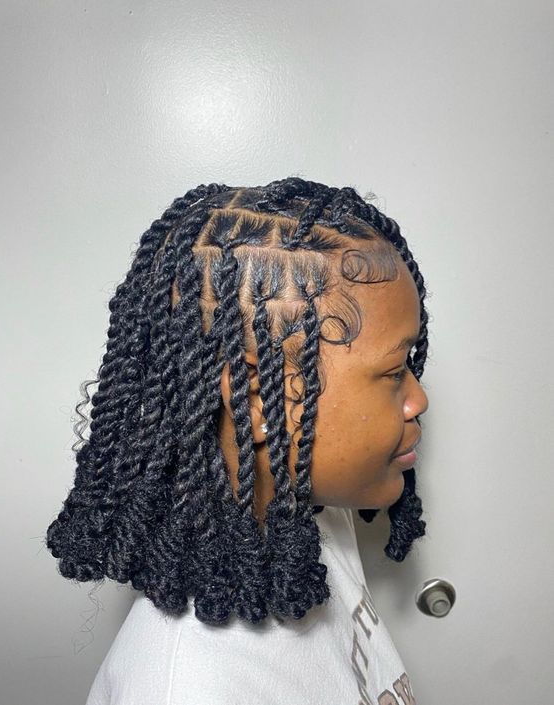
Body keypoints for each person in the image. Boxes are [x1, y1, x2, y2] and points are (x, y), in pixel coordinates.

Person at [46, 177, 430, 704]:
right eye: (394, 372)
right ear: (258, 400)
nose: (418, 399)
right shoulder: (185, 688)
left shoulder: (307, 518)